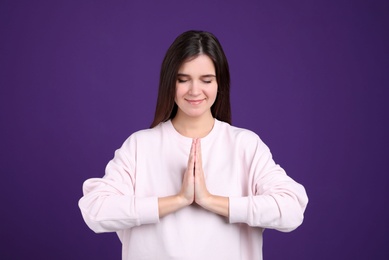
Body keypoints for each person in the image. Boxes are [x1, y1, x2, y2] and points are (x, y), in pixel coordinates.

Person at [78, 30, 308, 260]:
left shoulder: (245, 145)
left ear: (220, 83)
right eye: (183, 80)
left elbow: (292, 210)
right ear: (170, 82)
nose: (195, 91)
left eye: (206, 80)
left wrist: (211, 201)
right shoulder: (140, 146)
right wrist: (177, 200)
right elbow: (95, 211)